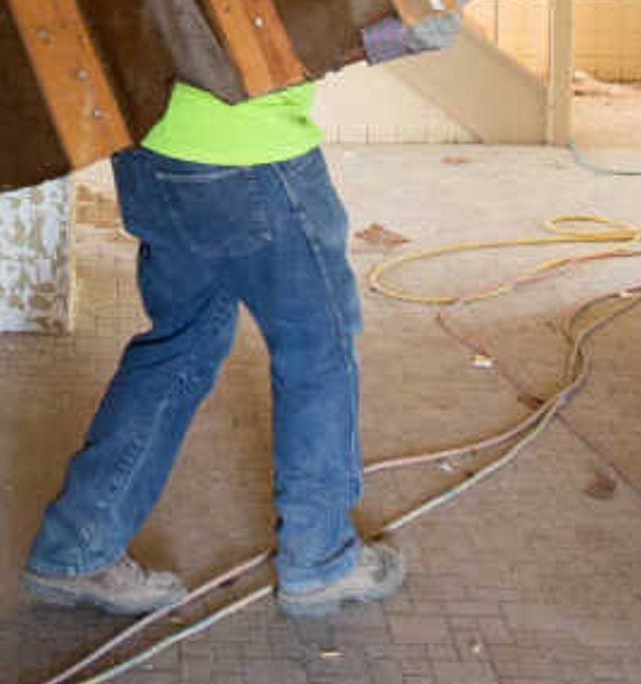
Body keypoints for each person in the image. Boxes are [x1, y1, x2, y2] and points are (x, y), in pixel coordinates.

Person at [20, 61, 417, 622]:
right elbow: (318, 1)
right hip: (250, 150)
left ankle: (76, 548)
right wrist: (395, 30)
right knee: (317, 353)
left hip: (148, 138)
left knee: (181, 344)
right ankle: (321, 559)